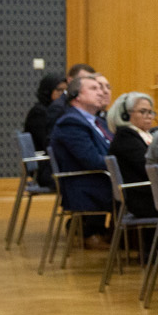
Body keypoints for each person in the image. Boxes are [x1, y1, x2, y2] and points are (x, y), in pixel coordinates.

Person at [49, 73, 113, 243]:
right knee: (144, 189)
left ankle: (128, 238)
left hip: (100, 179)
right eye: (93, 88)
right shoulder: (71, 123)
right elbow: (92, 160)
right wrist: (121, 164)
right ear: (76, 96)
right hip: (86, 185)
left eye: (101, 88)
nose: (101, 92)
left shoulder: (98, 121)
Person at [107, 93, 158, 219]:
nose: (149, 116)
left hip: (149, 194)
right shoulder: (125, 137)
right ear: (125, 115)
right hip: (141, 199)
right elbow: (148, 167)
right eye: (143, 112)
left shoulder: (144, 135)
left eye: (151, 112)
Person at [24, 72, 65, 152]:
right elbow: (46, 143)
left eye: (65, 90)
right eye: (59, 90)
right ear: (48, 90)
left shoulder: (58, 109)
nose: (63, 94)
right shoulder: (38, 112)